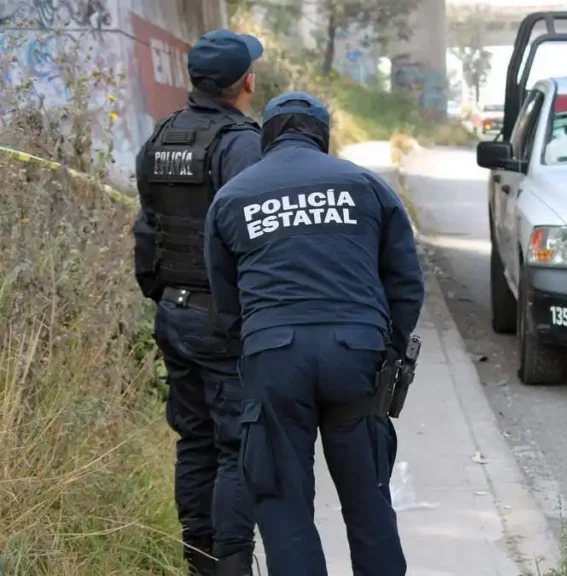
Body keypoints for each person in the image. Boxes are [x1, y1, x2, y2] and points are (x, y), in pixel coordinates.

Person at [203, 91, 425, 576]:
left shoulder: (233, 196)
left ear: (266, 136)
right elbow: (406, 282)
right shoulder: (366, 186)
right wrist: (389, 351)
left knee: (283, 506)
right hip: (357, 356)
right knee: (369, 501)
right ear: (322, 135)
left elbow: (225, 302)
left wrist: (258, 350)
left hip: (275, 359)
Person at [132, 28, 264, 576]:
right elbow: (256, 237)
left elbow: (147, 230)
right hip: (220, 319)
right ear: (245, 83)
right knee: (237, 447)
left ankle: (201, 562)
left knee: (194, 440)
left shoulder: (159, 139)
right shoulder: (242, 145)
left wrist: (163, 297)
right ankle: (231, 565)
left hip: (173, 311)